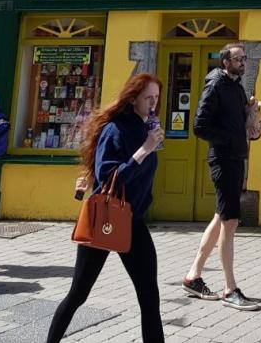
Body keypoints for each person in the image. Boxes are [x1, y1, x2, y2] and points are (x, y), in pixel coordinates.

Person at [46, 72, 165, 343]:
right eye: (148, 98)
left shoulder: (148, 129)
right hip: (105, 217)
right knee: (78, 294)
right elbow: (108, 177)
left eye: (157, 98)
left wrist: (150, 145)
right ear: (133, 99)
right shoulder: (116, 130)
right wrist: (143, 150)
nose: (153, 104)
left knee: (150, 297)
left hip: (134, 221)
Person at [183, 43, 259, 310]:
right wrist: (228, 138)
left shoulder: (237, 88)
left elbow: (239, 123)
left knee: (221, 216)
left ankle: (193, 276)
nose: (243, 62)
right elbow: (199, 126)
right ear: (225, 61)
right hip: (223, 158)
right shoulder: (215, 85)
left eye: (244, 58)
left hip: (236, 157)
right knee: (231, 221)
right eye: (238, 59)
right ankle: (230, 289)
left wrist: (252, 124)